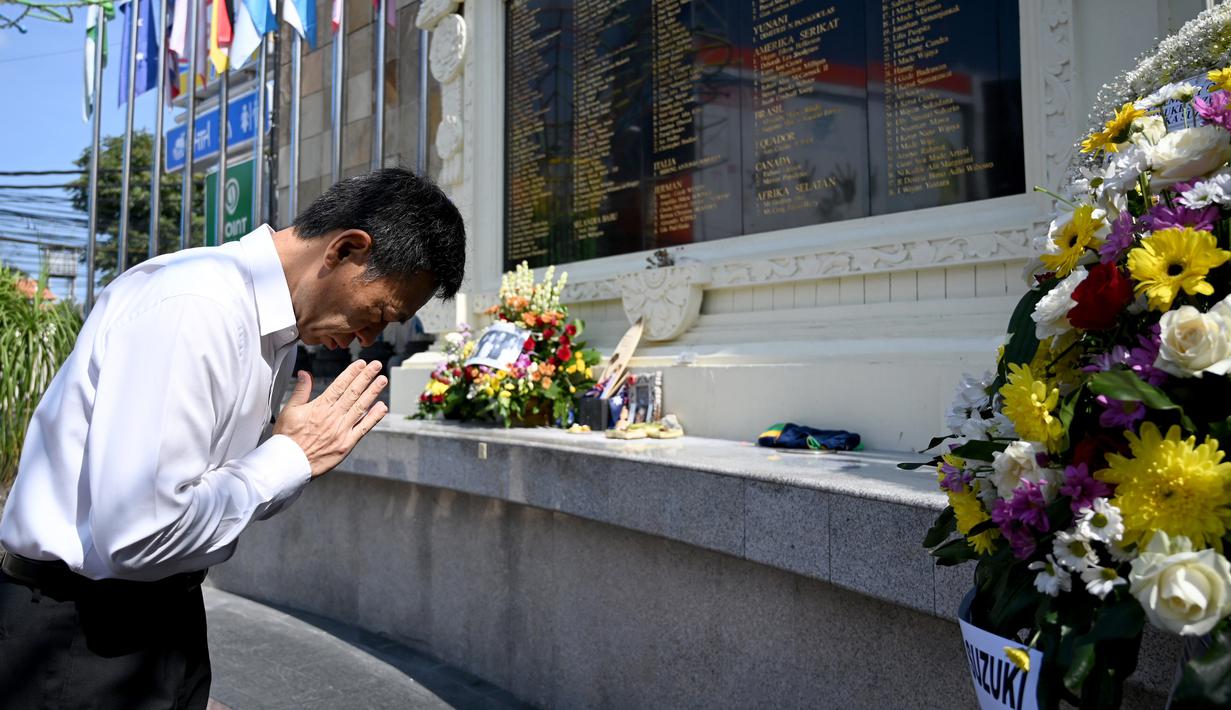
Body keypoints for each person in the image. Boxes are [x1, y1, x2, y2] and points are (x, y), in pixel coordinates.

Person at [0, 168, 465, 708]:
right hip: (82, 635)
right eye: (380, 312)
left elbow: (209, 493)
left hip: (161, 618)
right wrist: (287, 458)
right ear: (346, 248)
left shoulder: (274, 329)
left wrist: (284, 456)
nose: (368, 338)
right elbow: (138, 534)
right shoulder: (196, 306)